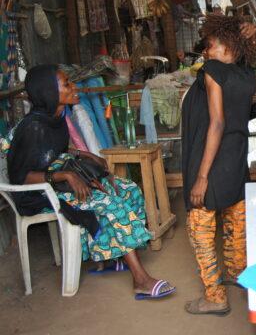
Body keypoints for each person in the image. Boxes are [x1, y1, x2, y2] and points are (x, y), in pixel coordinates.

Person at [6, 65, 175, 300]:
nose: (73, 87)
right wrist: (65, 176)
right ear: (48, 92)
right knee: (110, 203)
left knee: (128, 190)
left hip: (58, 179)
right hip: (38, 193)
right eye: (66, 84)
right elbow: (21, 177)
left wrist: (84, 155)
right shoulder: (33, 127)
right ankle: (141, 280)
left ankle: (109, 257)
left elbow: (58, 151)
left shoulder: (57, 116)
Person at [181, 13, 256, 316]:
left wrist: (201, 176)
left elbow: (216, 123)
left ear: (226, 47)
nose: (206, 52)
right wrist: (250, 38)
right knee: (235, 220)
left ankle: (215, 296)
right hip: (236, 158)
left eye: (210, 45)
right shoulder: (246, 76)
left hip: (211, 159)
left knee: (200, 226)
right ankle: (240, 274)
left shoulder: (213, 70)